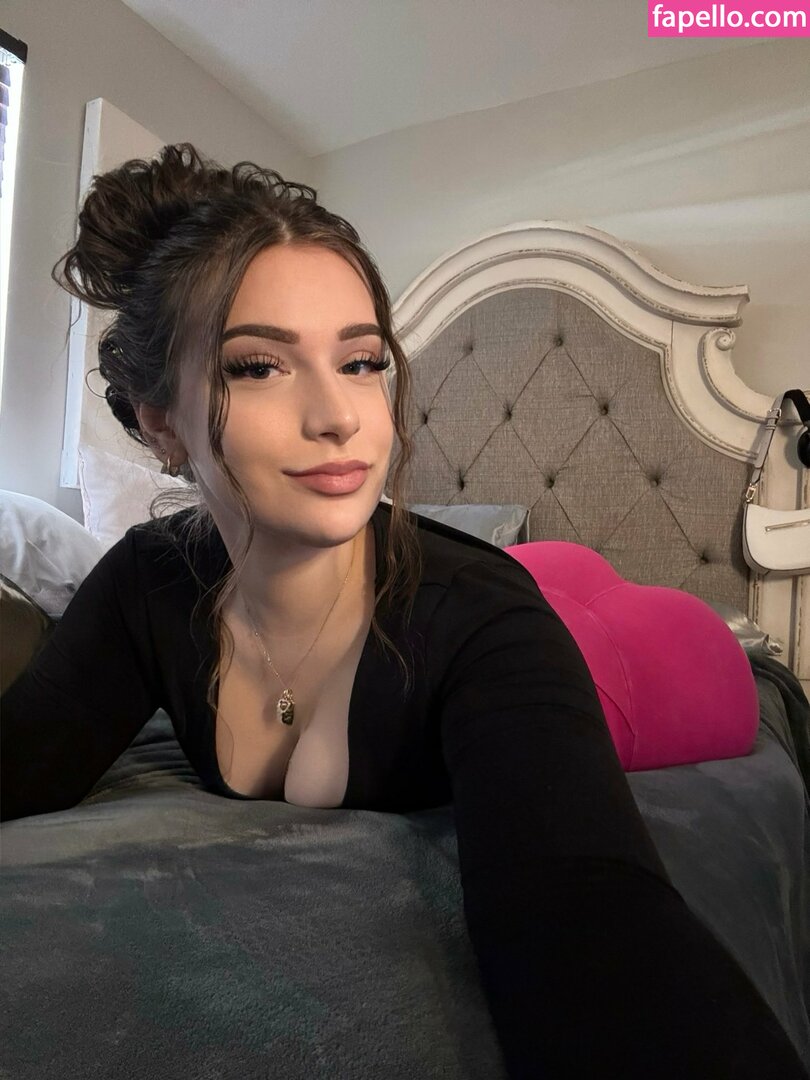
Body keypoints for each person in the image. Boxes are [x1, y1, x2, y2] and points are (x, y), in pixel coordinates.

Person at [1, 143, 807, 1080]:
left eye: (361, 362)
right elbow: (21, 758)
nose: (338, 416)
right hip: (484, 588)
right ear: (159, 418)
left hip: (644, 661)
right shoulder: (150, 579)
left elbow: (590, 914)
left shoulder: (480, 623)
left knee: (632, 628)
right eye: (258, 366)